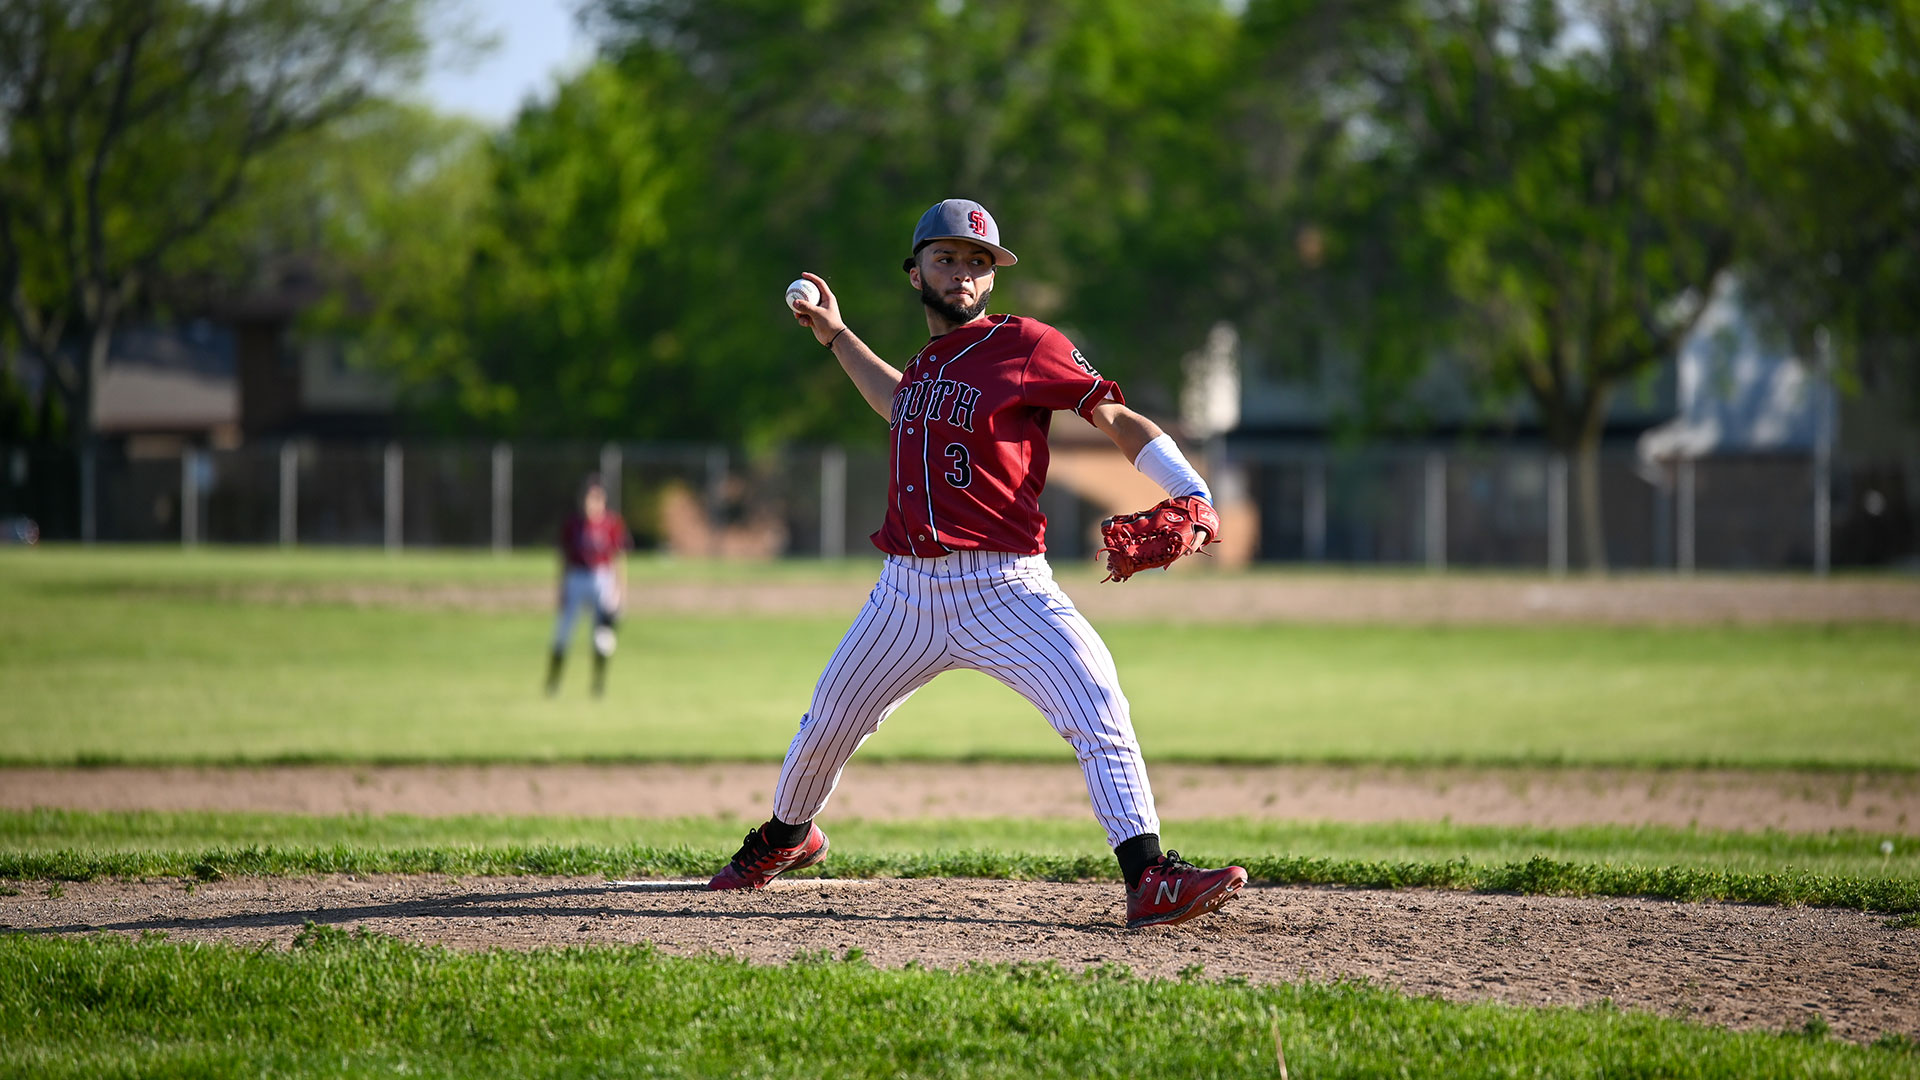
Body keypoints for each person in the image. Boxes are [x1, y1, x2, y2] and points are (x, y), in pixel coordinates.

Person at [708, 199, 1247, 929]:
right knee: (829, 723)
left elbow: (1114, 416)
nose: (963, 274)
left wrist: (1191, 490)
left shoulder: (1026, 344)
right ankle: (787, 837)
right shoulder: (928, 365)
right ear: (915, 272)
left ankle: (1148, 875)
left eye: (978, 262)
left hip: (1006, 588)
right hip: (906, 592)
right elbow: (897, 402)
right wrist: (835, 335)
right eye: (947, 258)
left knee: (1097, 707)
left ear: (992, 278)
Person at [546, 474, 630, 698]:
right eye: (588, 497)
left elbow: (619, 557)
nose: (591, 503)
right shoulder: (573, 524)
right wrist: (561, 587)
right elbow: (563, 558)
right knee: (563, 632)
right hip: (577, 577)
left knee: (603, 635)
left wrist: (620, 590)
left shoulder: (611, 524)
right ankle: (553, 683)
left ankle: (598, 684)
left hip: (602, 577)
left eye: (596, 498)